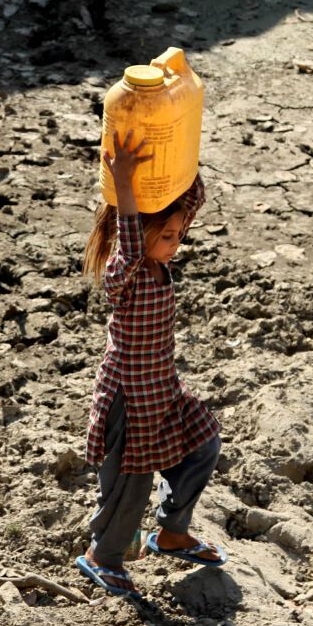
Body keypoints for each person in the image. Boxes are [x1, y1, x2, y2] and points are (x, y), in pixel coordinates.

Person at [76, 129, 226, 599]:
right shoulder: (128, 272)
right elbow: (132, 237)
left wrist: (178, 143)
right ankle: (104, 555)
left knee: (204, 445)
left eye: (179, 234)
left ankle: (172, 531)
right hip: (128, 398)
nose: (176, 243)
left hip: (163, 390)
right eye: (167, 235)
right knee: (128, 484)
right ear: (141, 235)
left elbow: (194, 195)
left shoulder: (162, 264)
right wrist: (124, 183)